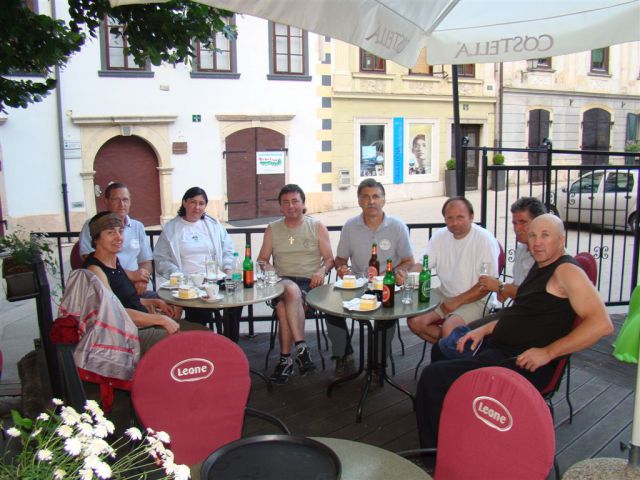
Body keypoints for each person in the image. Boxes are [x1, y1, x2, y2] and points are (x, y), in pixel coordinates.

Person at [415, 214, 613, 448]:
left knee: (432, 378)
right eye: (532, 236)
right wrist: (484, 330)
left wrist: (548, 352)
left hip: (522, 362)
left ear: (561, 239)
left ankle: (437, 454)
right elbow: (523, 313)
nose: (537, 242)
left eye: (545, 235)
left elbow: (602, 324)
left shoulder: (566, 271)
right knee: (442, 349)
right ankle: (461, 428)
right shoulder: (541, 267)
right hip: (500, 347)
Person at [327, 178, 415, 377]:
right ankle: (344, 354)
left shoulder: (397, 226)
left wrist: (391, 274)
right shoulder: (350, 226)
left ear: (384, 200)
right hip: (357, 283)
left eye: (376, 196)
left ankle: (378, 362)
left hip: (386, 285)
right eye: (365, 197)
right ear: (359, 201)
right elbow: (340, 259)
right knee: (331, 309)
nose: (371, 201)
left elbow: (409, 260)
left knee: (387, 312)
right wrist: (342, 269)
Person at [257, 184, 335, 385]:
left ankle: (285, 361)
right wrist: (270, 270)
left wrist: (321, 271)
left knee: (284, 307)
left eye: (295, 201)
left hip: (310, 283)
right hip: (281, 281)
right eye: (285, 202)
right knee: (290, 288)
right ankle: (301, 347)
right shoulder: (273, 228)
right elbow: (262, 260)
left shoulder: (317, 226)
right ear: (280, 206)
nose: (290, 206)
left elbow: (329, 259)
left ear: (303, 204)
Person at [83, 212, 181, 353]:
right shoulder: (95, 270)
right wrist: (160, 320)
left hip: (138, 326)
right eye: (111, 233)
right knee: (196, 339)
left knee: (201, 332)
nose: (119, 237)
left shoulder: (113, 261)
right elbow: (114, 311)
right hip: (125, 336)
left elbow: (125, 300)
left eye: (120, 231)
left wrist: (154, 302)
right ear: (96, 239)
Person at [154, 187, 243, 341]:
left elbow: (228, 249)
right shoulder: (171, 228)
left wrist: (228, 269)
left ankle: (230, 344)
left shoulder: (213, 225)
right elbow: (161, 259)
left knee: (235, 303)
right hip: (188, 284)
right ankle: (202, 346)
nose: (197, 207)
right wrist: (180, 277)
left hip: (216, 280)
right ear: (184, 203)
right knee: (199, 312)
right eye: (193, 202)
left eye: (201, 203)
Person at [407, 197, 499, 343]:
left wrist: (456, 301)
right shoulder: (440, 236)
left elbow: (487, 285)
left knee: (449, 330)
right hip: (445, 293)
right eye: (450, 218)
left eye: (460, 217)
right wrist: (409, 277)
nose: (455, 223)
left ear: (471, 216)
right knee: (415, 321)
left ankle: (450, 348)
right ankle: (449, 347)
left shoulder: (484, 240)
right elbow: (423, 264)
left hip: (477, 299)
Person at [79, 182, 153, 295]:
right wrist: (129, 276)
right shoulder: (94, 225)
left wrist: (142, 280)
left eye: (125, 199)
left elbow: (145, 260)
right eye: (116, 199)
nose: (122, 204)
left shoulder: (137, 226)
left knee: (172, 306)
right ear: (106, 201)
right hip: (109, 286)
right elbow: (89, 259)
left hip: (137, 286)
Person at [477, 197, 546, 303]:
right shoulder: (522, 248)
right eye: (514, 223)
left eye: (523, 222)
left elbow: (535, 297)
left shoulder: (546, 254)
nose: (517, 228)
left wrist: (501, 287)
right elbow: (519, 283)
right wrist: (504, 291)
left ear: (539, 222)